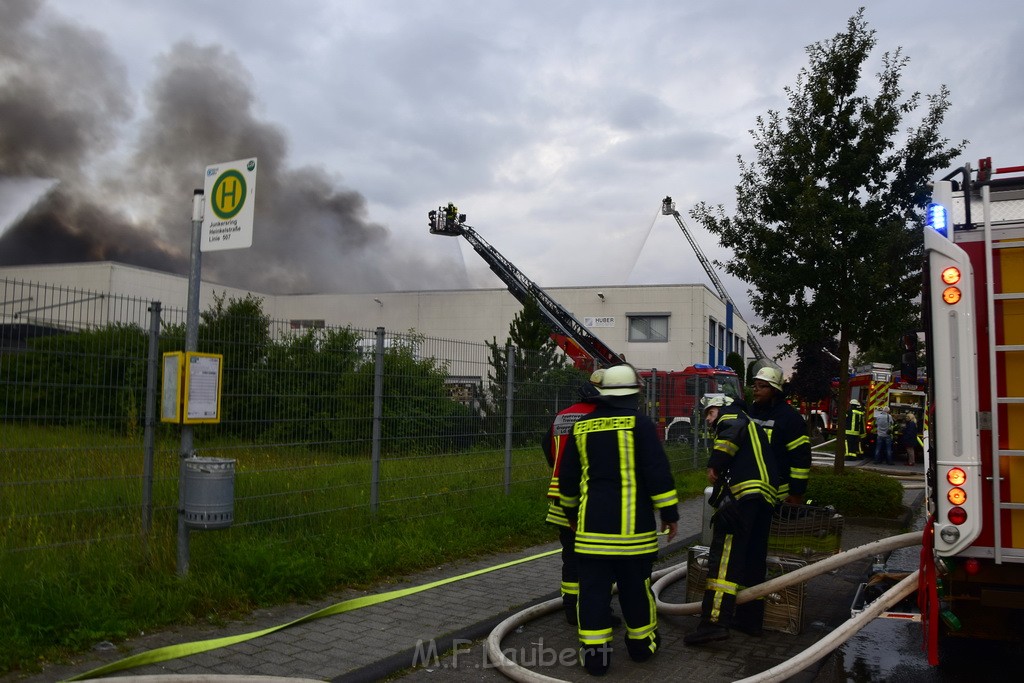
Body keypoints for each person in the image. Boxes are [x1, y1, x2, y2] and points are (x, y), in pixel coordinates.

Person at [558, 364, 679, 676]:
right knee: (636, 591)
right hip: (633, 535)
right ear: (632, 395)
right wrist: (669, 514)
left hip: (590, 534)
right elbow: (657, 473)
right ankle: (641, 647)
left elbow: (568, 482)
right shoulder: (639, 424)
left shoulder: (580, 427)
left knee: (593, 594)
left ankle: (595, 659)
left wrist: (572, 516)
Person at [684, 394, 779, 646]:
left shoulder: (732, 416)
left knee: (724, 561)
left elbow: (729, 435)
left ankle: (713, 624)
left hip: (742, 499)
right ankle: (750, 620)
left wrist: (714, 464)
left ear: (720, 406)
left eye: (709, 413)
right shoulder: (754, 426)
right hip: (764, 500)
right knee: (752, 561)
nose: (707, 419)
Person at [540, 369, 604, 626]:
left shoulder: (562, 415)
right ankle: (591, 609)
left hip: (558, 496)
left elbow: (547, 446)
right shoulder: (600, 416)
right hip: (589, 498)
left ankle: (570, 607)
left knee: (570, 556)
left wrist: (558, 469)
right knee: (595, 559)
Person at [747, 366, 811, 506]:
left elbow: (800, 460)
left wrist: (796, 493)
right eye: (755, 385)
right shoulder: (750, 412)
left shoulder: (790, 418)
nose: (755, 389)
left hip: (777, 495)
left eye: (762, 386)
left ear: (775, 390)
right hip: (748, 491)